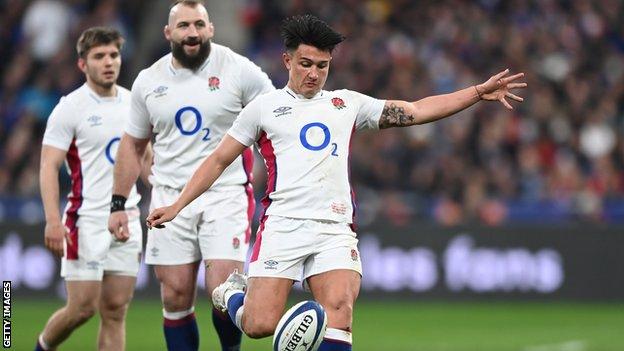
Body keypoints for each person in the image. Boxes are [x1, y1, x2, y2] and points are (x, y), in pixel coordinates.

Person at [146, 14, 527, 351]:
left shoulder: (346, 104)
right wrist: (178, 205)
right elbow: (218, 160)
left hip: (334, 228)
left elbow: (414, 110)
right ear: (287, 61)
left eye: (322, 66)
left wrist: (477, 93)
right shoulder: (263, 109)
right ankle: (232, 296)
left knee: (340, 315)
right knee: (259, 325)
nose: (313, 73)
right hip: (283, 226)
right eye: (305, 64)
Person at [107, 1, 274, 350]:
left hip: (226, 192)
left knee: (223, 289)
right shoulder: (148, 81)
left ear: (210, 28)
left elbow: (277, 115)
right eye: (183, 26)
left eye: (199, 24)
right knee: (175, 294)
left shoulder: (240, 70)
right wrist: (119, 203)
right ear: (169, 33)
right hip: (169, 195)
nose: (192, 32)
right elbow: (132, 144)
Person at [36, 27, 148, 351]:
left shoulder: (133, 103)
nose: (109, 62)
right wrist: (52, 220)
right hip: (85, 221)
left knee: (115, 311)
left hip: (126, 218)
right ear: (83, 65)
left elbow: (145, 159)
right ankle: (42, 346)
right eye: (99, 56)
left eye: (113, 54)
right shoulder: (69, 108)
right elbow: (48, 165)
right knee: (82, 308)